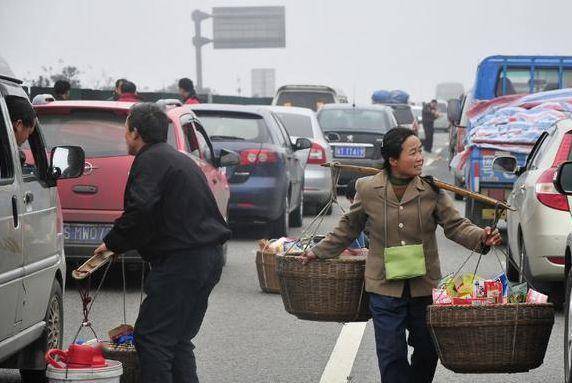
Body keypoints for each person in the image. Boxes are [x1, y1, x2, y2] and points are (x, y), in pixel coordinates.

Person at [300, 127, 502, 383]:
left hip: (423, 287)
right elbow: (347, 228)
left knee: (428, 350)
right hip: (384, 287)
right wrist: (317, 253)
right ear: (393, 160)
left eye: (420, 151)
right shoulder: (368, 188)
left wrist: (481, 237)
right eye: (413, 152)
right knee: (391, 354)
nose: (420, 158)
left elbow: (456, 226)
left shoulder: (431, 190)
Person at [93, 103, 231, 383]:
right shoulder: (177, 159)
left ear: (135, 132)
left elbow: (141, 210)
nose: (124, 136)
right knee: (177, 339)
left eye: (126, 129)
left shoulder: (150, 161)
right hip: (207, 258)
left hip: (183, 262)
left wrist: (113, 243)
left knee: (153, 339)